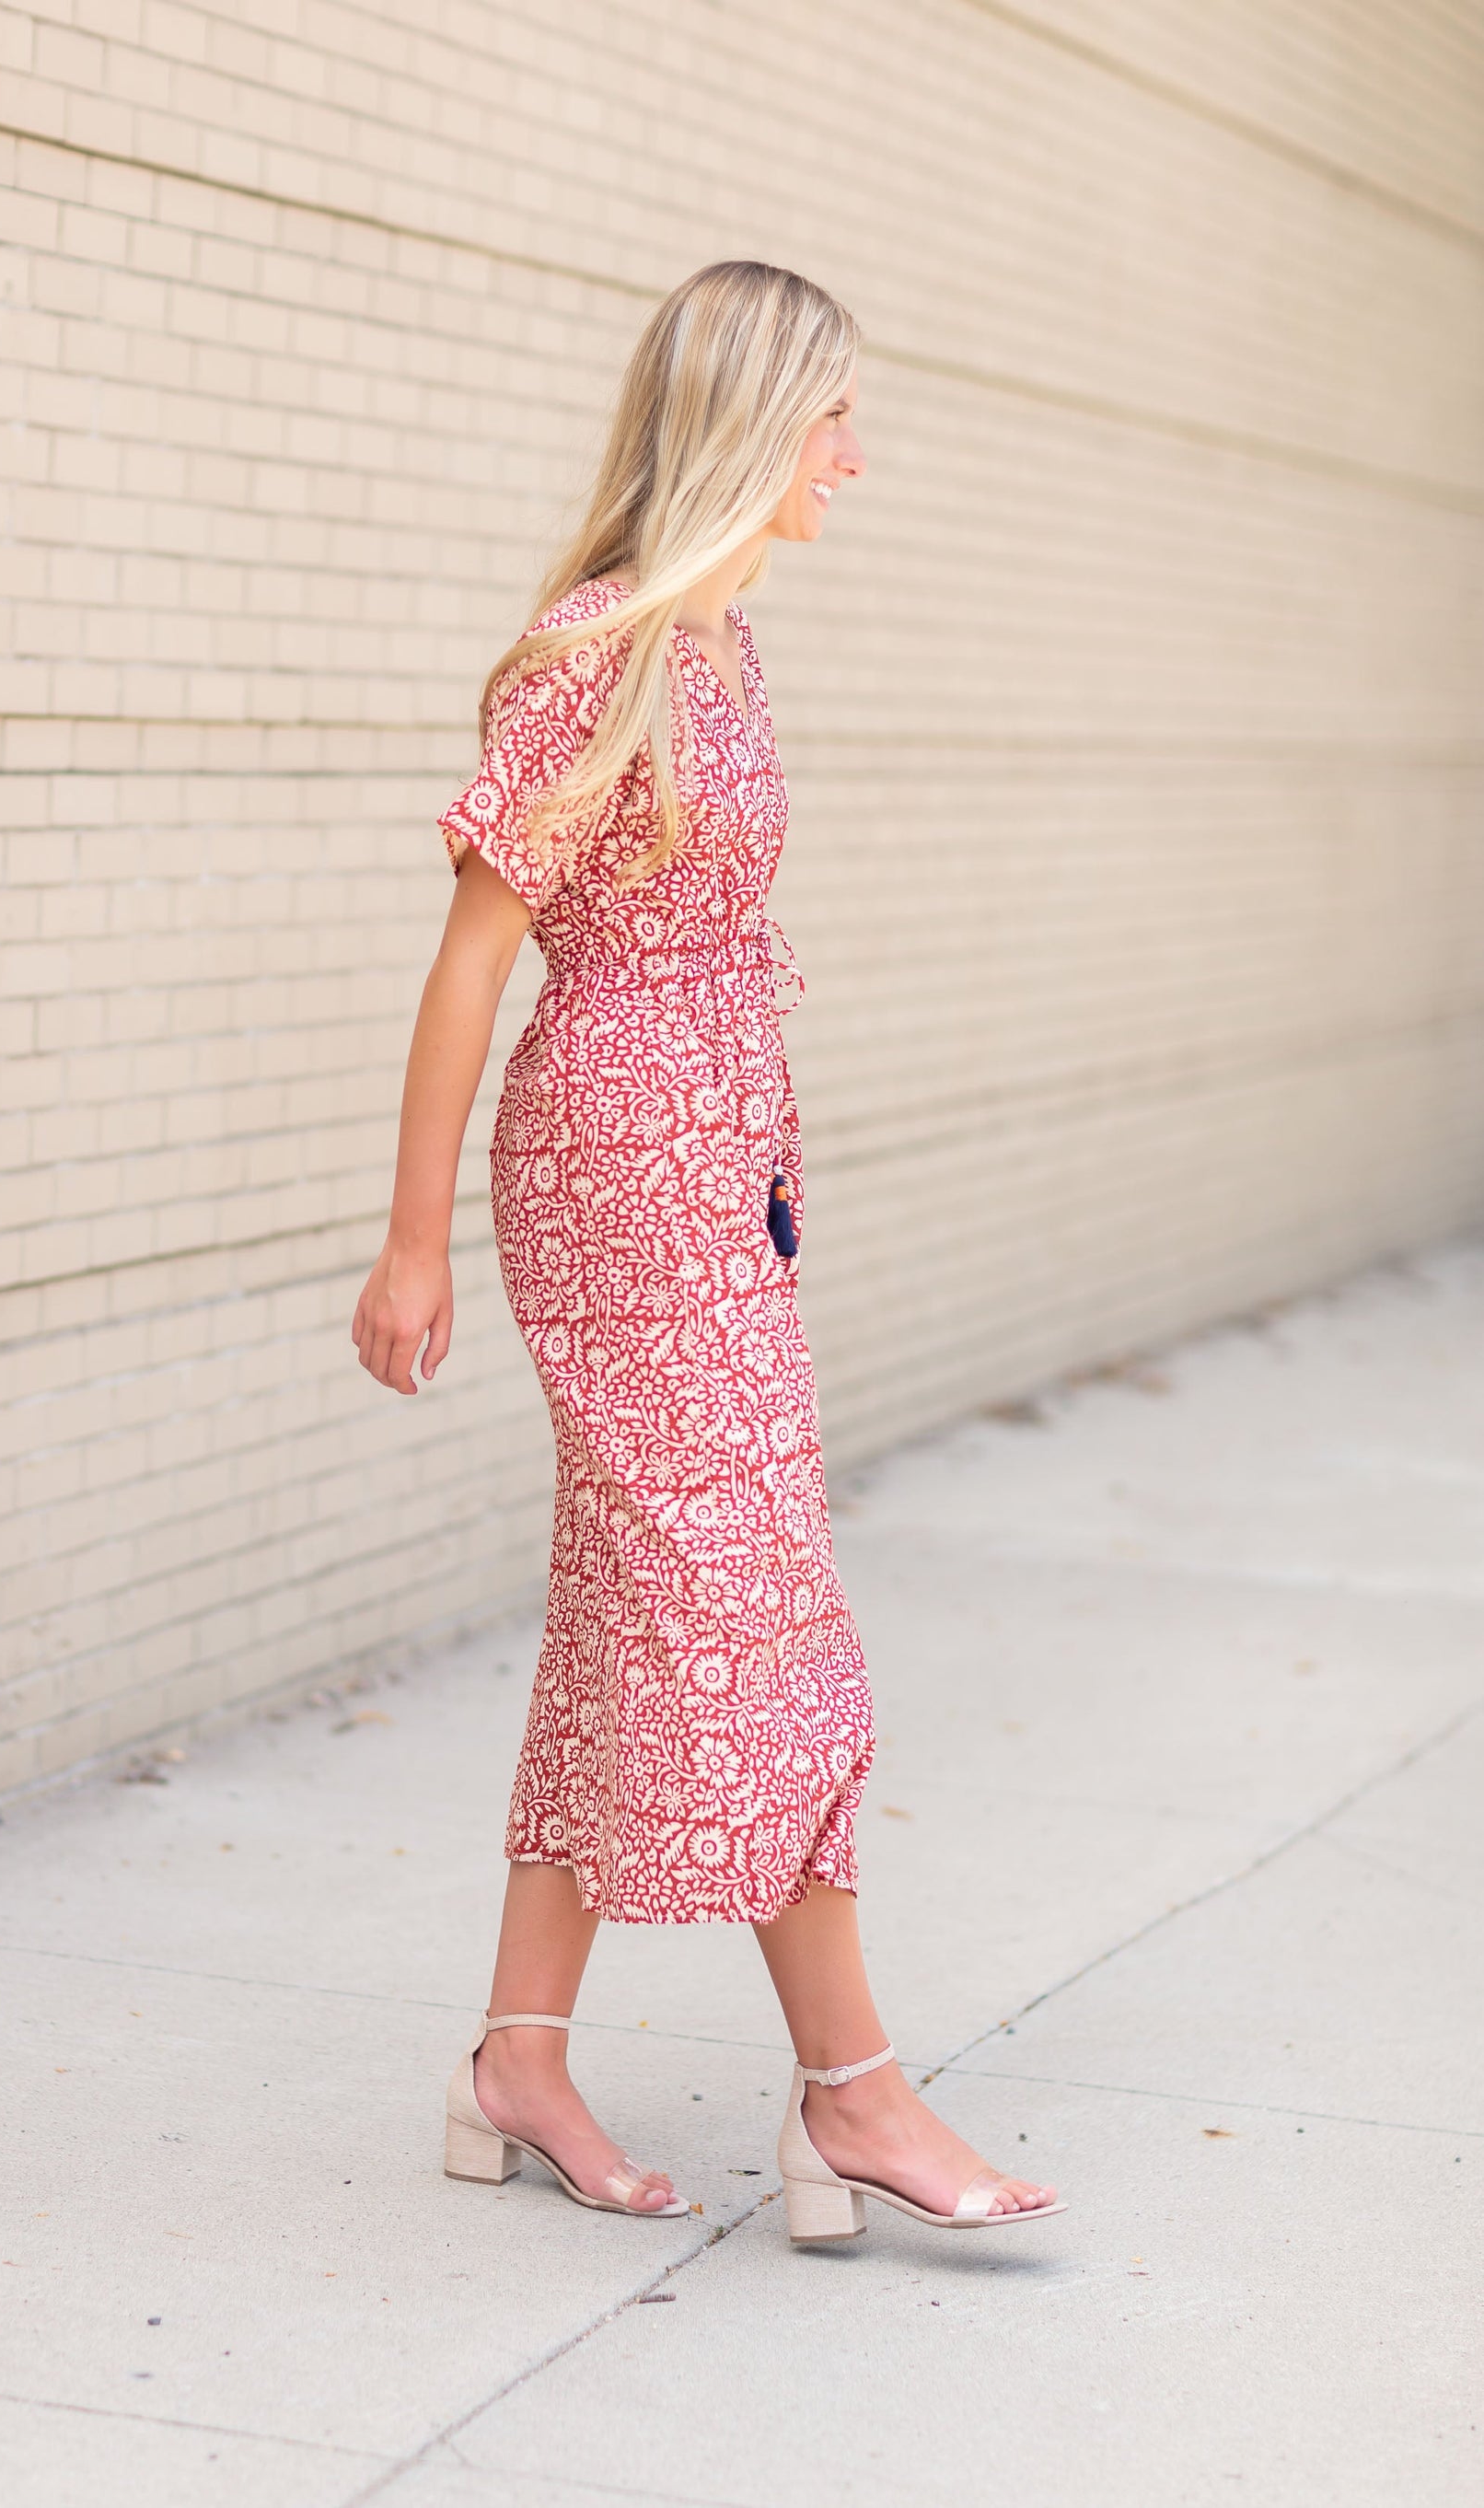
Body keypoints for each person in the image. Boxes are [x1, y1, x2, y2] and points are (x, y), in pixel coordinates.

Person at [352, 261, 1063, 2242]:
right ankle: (856, 2094)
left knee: (627, 1610)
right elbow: (470, 965)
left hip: (720, 1179)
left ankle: (515, 2058)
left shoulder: (726, 648)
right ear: (751, 425)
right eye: (830, 416)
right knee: (753, 1625)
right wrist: (411, 1248)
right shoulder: (596, 652)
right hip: (608, 1181)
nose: (855, 453)